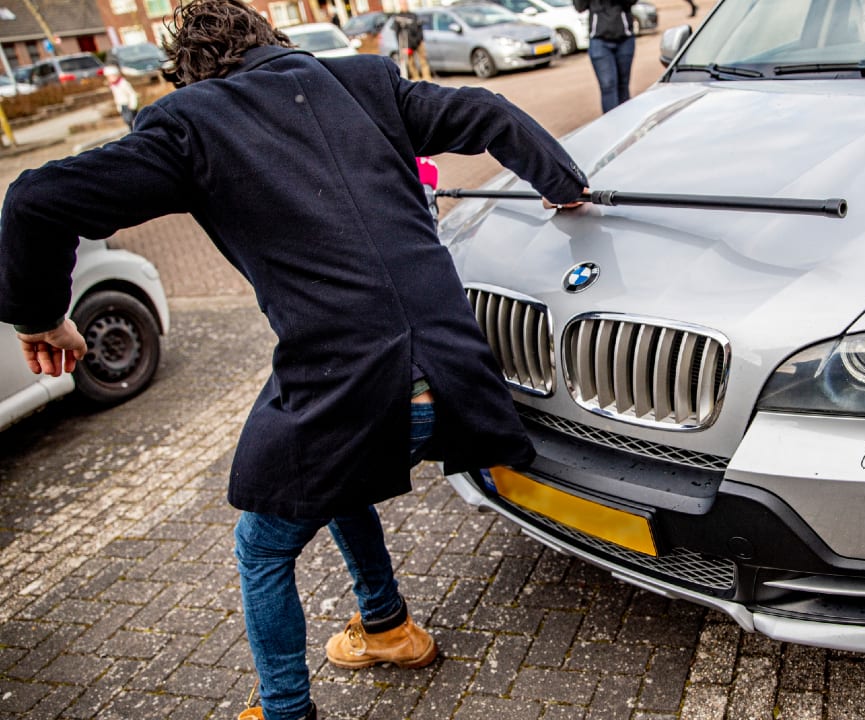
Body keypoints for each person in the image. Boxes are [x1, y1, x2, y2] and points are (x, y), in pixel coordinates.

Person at [0, 1, 588, 719]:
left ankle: (286, 711)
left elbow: (36, 198)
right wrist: (563, 183)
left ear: (187, 72)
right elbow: (490, 112)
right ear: (271, 40)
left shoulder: (190, 123)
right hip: (457, 370)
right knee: (335, 477)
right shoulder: (366, 83)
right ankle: (388, 626)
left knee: (261, 547)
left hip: (353, 383)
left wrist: (39, 315)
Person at [574, 0, 636, 113]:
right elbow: (579, 7)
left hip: (625, 39)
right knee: (608, 86)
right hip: (600, 41)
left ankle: (627, 122)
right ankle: (612, 125)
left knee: (623, 84)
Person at [104, 64, 139, 130]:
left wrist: (133, 104)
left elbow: (132, 94)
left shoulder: (123, 83)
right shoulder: (113, 85)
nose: (108, 79)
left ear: (115, 75)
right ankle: (131, 131)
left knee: (132, 120)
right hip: (121, 105)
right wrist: (118, 106)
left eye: (110, 77)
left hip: (128, 105)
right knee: (127, 121)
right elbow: (116, 97)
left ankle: (135, 131)